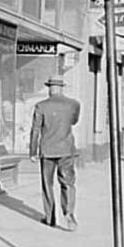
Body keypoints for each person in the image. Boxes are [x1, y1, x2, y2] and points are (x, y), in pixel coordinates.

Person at [29, 75, 81, 231]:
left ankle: (50, 218)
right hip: (66, 149)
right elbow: (73, 121)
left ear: (50, 88)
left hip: (47, 150)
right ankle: (69, 214)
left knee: (48, 184)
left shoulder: (41, 106)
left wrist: (33, 151)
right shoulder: (73, 104)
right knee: (68, 183)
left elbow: (36, 130)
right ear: (62, 87)